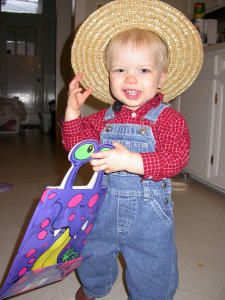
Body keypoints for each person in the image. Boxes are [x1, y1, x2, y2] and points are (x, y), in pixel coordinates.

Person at [60, 1, 203, 299]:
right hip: (102, 207)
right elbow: (78, 149)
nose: (130, 78)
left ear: (161, 78)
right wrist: (72, 113)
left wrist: (130, 160)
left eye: (143, 69)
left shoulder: (169, 118)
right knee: (92, 252)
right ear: (109, 75)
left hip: (149, 218)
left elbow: (176, 158)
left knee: (153, 265)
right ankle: (94, 287)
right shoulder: (102, 118)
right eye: (120, 69)